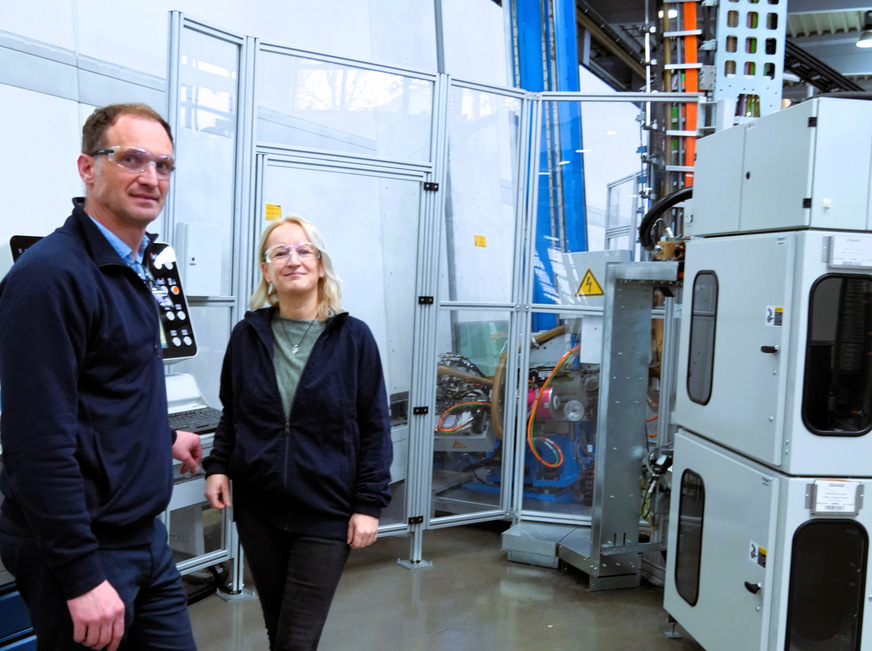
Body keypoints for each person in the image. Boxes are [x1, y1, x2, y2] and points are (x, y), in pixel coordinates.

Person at [0, 103, 201, 651]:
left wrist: (162, 439)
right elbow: (35, 442)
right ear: (88, 168)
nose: (150, 178)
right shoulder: (49, 278)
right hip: (85, 547)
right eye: (131, 159)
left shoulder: (134, 268)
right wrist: (82, 574)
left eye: (163, 165)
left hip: (142, 537)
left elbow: (109, 395)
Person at [203, 216, 393, 650]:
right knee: (279, 630)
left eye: (304, 250)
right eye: (280, 253)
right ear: (266, 271)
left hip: (327, 509)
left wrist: (368, 504)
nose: (293, 260)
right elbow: (233, 412)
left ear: (321, 265)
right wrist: (218, 467)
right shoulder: (247, 335)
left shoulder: (353, 338)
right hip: (259, 508)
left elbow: (375, 428)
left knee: (296, 639)